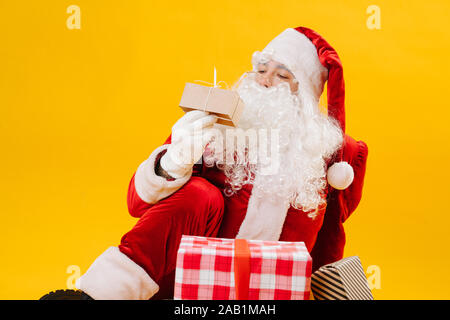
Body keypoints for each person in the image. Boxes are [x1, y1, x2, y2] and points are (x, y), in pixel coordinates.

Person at [40, 26, 368, 300]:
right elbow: (137, 204)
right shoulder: (214, 125)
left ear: (305, 95)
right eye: (261, 69)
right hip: (186, 291)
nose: (265, 81)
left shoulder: (333, 156)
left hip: (269, 295)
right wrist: (175, 158)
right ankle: (100, 295)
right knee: (201, 194)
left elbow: (329, 240)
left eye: (282, 75)